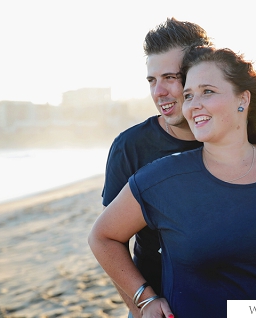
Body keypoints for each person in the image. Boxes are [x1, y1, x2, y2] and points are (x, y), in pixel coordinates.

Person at [89, 46, 256, 317]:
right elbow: (103, 237)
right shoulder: (160, 179)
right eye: (188, 95)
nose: (194, 104)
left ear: (242, 99)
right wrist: (144, 300)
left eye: (207, 91)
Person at [99, 18, 210, 318]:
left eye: (170, 77)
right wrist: (141, 304)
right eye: (151, 80)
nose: (158, 91)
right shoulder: (130, 147)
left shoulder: (239, 137)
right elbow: (110, 240)